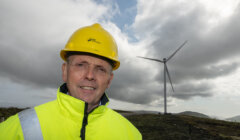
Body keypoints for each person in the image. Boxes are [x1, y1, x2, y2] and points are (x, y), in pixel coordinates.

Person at [0, 23, 142, 140]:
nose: (90, 75)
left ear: (109, 80)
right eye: (81, 65)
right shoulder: (19, 128)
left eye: (100, 69)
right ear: (65, 71)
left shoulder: (131, 135)